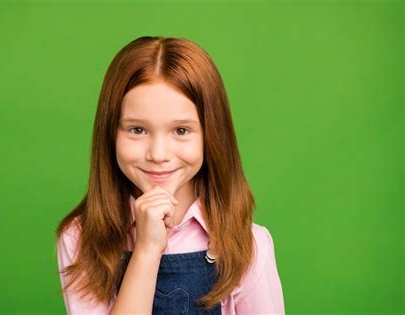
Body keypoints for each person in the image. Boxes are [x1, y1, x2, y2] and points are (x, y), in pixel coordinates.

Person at [55, 36, 285, 314]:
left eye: (181, 130)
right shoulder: (80, 239)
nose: (159, 154)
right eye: (137, 130)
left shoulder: (248, 244)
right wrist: (146, 251)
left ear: (210, 135)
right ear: (110, 134)